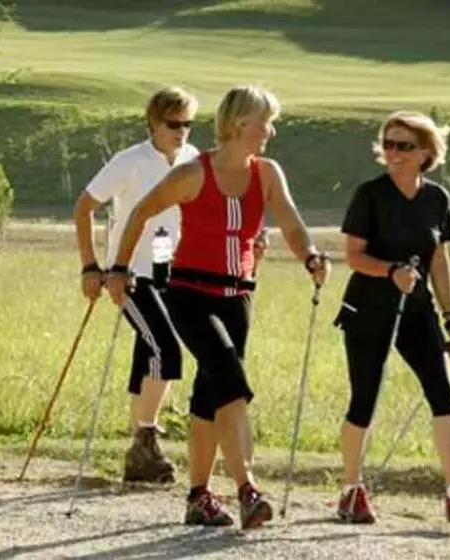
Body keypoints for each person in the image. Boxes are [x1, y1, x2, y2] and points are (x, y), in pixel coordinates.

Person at [104, 85, 330, 529]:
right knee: (231, 379)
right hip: (191, 294)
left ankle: (198, 497)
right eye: (266, 122)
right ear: (242, 124)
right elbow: (139, 213)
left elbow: (289, 220)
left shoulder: (266, 173)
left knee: (211, 396)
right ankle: (248, 488)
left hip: (238, 296)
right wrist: (117, 268)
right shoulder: (193, 173)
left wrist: (311, 255)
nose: (272, 131)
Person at [333, 110, 450, 524]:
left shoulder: (437, 199)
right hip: (368, 309)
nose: (393, 153)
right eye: (388, 144)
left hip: (417, 310)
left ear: (426, 153)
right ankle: (351, 490)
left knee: (443, 393)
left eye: (404, 146)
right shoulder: (370, 194)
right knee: (364, 398)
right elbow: (353, 256)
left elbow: (438, 261)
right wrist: (391, 271)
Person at [73, 86, 200, 484]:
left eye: (188, 124)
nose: (181, 132)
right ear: (153, 124)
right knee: (166, 350)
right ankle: (146, 437)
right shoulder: (130, 160)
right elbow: (84, 207)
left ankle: (138, 451)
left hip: (169, 271)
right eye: (173, 124)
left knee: (149, 352)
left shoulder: (193, 159)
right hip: (128, 272)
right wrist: (91, 266)